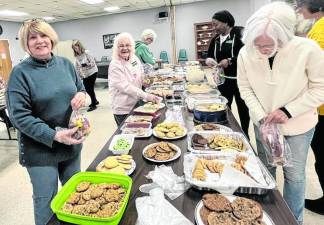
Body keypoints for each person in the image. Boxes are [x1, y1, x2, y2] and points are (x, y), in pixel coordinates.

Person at [237, 2, 324, 223]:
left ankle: (292, 220)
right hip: (263, 123)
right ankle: (264, 216)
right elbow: (245, 88)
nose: (263, 50)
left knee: (293, 176)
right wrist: (259, 116)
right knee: (266, 169)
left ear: (284, 36)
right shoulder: (245, 52)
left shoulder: (308, 49)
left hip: (298, 126)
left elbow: (320, 88)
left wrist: (288, 110)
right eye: (257, 45)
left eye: (269, 45)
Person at [6, 18, 86, 225]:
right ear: (26, 43)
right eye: (32, 37)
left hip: (71, 145)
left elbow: (81, 90)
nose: (40, 41)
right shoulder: (20, 73)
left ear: (52, 38)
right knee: (47, 203)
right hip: (39, 151)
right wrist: (55, 135)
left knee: (75, 195)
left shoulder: (66, 64)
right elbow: (19, 117)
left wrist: (82, 97)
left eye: (43, 35)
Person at [296, 0, 324, 215]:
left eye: (300, 5)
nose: (297, 9)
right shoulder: (317, 26)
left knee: (322, 158)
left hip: (320, 106)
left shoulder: (321, 29)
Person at [205, 10, 250, 138]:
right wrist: (210, 61)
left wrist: (230, 61)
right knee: (225, 106)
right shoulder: (216, 40)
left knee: (243, 109)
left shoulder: (239, 35)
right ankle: (226, 132)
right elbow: (208, 56)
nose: (214, 28)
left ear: (226, 22)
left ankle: (245, 133)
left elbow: (246, 54)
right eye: (212, 25)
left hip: (240, 79)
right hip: (223, 80)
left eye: (216, 24)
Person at [108, 32, 161, 126]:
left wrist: (145, 81)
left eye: (127, 45)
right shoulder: (115, 65)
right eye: (121, 46)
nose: (125, 48)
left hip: (137, 102)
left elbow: (141, 73)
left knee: (139, 132)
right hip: (123, 108)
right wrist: (146, 96)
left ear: (132, 46)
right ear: (116, 48)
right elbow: (126, 87)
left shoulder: (134, 58)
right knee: (127, 134)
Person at [72, 40, 99, 112]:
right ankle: (95, 100)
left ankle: (94, 104)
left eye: (76, 47)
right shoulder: (76, 56)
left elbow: (93, 63)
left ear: (79, 46)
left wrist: (86, 65)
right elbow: (77, 67)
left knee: (90, 88)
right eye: (74, 48)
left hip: (92, 72)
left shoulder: (86, 52)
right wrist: (79, 75)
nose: (75, 49)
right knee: (86, 89)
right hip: (85, 74)